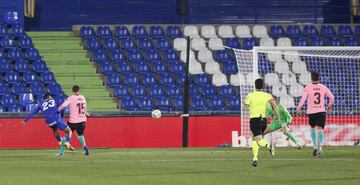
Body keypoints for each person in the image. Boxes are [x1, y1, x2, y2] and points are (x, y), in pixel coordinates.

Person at [243, 78, 282, 167]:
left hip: (255, 120)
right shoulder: (267, 95)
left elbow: (244, 108)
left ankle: (269, 146)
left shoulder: (250, 95)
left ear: (255, 85)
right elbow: (275, 107)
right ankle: (255, 158)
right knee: (254, 139)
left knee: (259, 140)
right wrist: (279, 118)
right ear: (262, 86)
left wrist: (249, 105)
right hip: (263, 121)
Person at [296, 71, 334, 157]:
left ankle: (315, 146)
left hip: (311, 112)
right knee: (320, 129)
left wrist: (299, 107)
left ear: (311, 78)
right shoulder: (323, 87)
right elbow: (332, 97)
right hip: (321, 111)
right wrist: (330, 106)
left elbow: (303, 99)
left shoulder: (308, 87)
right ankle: (320, 148)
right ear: (318, 78)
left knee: (313, 128)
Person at [58, 85, 90, 155]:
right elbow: (85, 109)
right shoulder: (82, 97)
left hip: (73, 121)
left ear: (72, 90)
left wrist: (57, 110)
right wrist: (87, 113)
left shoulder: (71, 98)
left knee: (66, 134)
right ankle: (85, 146)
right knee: (80, 134)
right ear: (79, 90)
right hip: (82, 120)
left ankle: (61, 152)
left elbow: (63, 105)